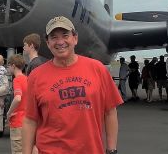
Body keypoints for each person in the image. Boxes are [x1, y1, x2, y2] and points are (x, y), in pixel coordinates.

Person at [23, 16, 123, 154]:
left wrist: (112, 150)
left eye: (65, 35)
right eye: (53, 37)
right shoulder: (36, 76)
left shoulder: (98, 69)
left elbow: (110, 112)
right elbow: (30, 120)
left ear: (75, 38)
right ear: (48, 42)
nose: (60, 42)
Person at [6, 54, 28, 154]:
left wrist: (9, 113)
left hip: (18, 121)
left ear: (13, 65)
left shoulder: (17, 80)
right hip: (28, 121)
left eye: (8, 66)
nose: (7, 68)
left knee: (18, 150)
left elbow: (18, 98)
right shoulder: (27, 79)